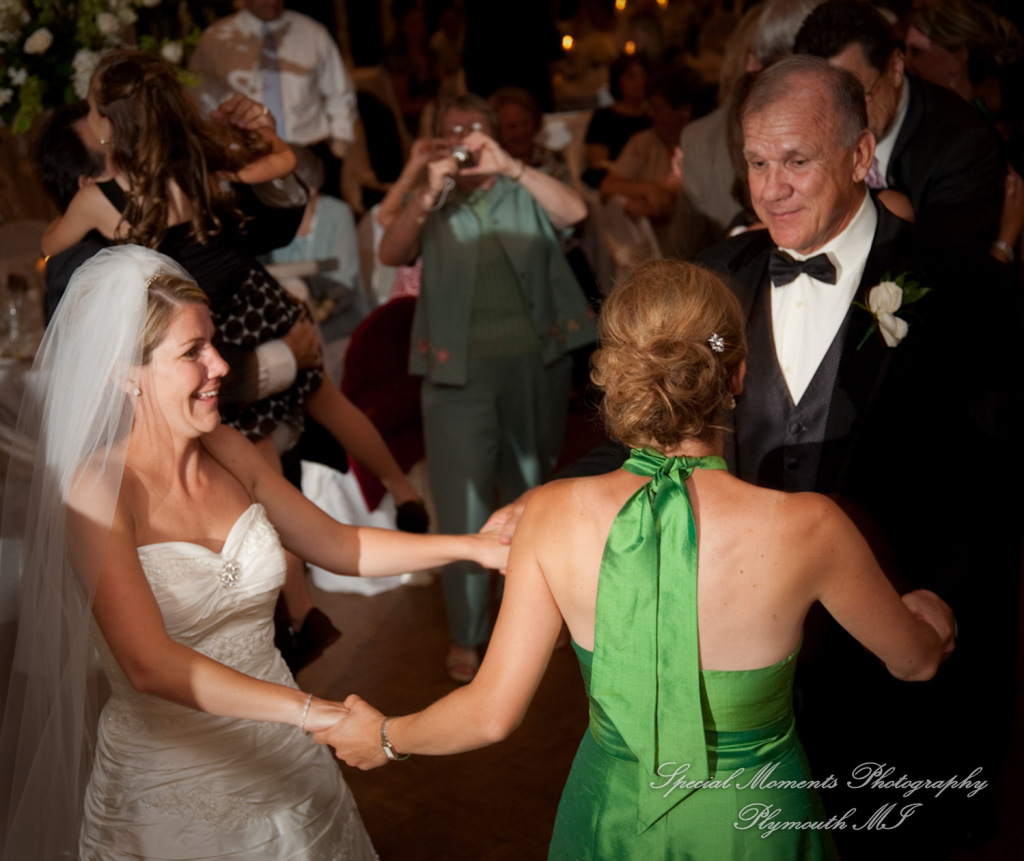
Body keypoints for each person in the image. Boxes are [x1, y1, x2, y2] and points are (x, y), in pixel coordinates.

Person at [316, 258, 954, 860]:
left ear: (616, 376)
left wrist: (386, 736)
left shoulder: (551, 514)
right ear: (736, 375)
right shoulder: (812, 525)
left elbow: (490, 714)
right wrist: (930, 617)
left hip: (611, 814)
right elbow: (916, 662)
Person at [0, 245, 509, 859]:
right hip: (172, 792)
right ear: (125, 373)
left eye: (213, 342)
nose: (220, 365)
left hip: (286, 755)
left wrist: (475, 547)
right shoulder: (99, 490)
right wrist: (316, 714)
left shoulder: (228, 448)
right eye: (192, 352)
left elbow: (339, 544)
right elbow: (149, 664)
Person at [697, 55, 1020, 855]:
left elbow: (993, 478)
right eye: (757, 163)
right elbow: (659, 425)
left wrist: (945, 595)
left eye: (796, 161)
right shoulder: (716, 283)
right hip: (746, 662)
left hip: (894, 654)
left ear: (859, 153)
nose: (771, 189)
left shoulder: (964, 288)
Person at [40, 49, 423, 669]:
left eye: (93, 110)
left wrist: (83, 210)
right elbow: (283, 164)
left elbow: (50, 244)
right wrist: (260, 142)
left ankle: (301, 610)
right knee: (327, 404)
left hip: (217, 324)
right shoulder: (197, 160)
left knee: (260, 469)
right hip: (259, 302)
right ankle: (400, 490)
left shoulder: (103, 199)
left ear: (111, 124)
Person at [378, 92, 595, 682]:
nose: (465, 138)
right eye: (453, 130)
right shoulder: (435, 198)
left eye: (475, 128)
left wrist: (511, 166)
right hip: (456, 376)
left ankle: (532, 619)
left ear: (493, 135)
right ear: (438, 140)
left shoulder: (522, 185)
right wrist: (426, 190)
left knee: (533, 496)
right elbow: (391, 250)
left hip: (536, 366)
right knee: (463, 504)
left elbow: (574, 212)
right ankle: (467, 632)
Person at [792, 0, 1006, 252]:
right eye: (824, 102)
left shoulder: (962, 146)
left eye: (858, 98)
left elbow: (947, 266)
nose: (839, 121)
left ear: (895, 67)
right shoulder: (802, 126)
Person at [188, 0, 357, 196]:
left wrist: (339, 150)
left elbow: (340, 94)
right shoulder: (215, 39)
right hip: (249, 160)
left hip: (311, 156)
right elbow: (199, 100)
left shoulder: (313, 33)